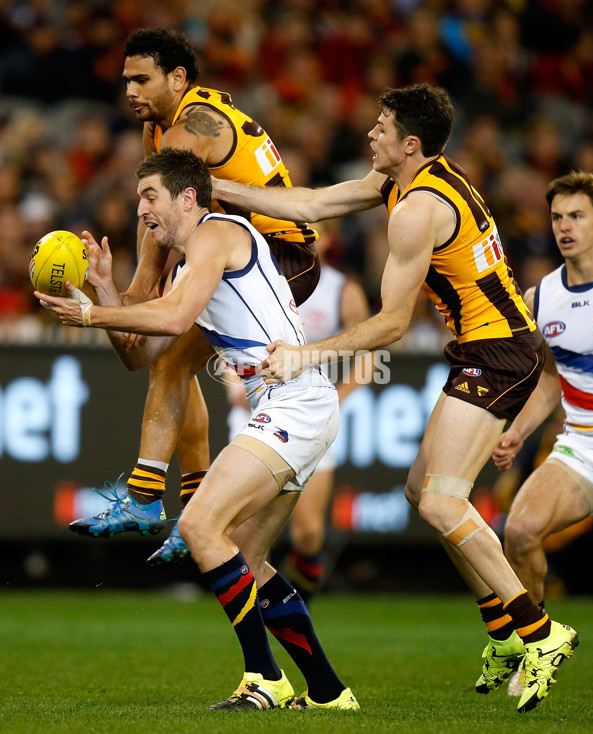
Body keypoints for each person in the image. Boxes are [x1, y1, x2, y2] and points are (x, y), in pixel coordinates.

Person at [210, 83, 579, 714]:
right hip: (485, 350)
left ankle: (539, 631)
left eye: (381, 127)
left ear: (409, 143)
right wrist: (218, 189)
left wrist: (308, 353)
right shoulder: (409, 181)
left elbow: (390, 325)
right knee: (420, 492)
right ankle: (501, 629)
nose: (370, 134)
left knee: (441, 502)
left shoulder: (417, 209)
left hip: (499, 353)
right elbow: (311, 203)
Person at [36, 148, 358, 712]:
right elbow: (143, 357)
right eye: (139, 198)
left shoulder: (219, 233)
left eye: (150, 196)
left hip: (295, 403)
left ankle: (264, 678)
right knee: (249, 565)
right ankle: (331, 693)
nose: (140, 211)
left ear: (188, 197)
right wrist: (103, 293)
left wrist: (89, 316)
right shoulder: (191, 268)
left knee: (202, 524)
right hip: (290, 405)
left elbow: (173, 319)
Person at [68, 28, 320, 566]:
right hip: (233, 248)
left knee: (170, 357)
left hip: (280, 254)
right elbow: (154, 210)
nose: (130, 90)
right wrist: (139, 291)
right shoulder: (160, 128)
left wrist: (137, 293)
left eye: (142, 78)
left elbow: (166, 213)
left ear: (177, 78)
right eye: (126, 79)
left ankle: (151, 501)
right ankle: (189, 505)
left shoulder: (188, 132)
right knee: (172, 364)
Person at [492, 170, 593, 696]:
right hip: (582, 447)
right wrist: (518, 430)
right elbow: (554, 380)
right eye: (557, 216)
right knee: (519, 531)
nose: (565, 226)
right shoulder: (543, 297)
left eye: (577, 215)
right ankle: (537, 647)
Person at [226, 220, 374, 603]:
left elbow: (369, 356)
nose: (308, 239)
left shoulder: (343, 289)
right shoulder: (255, 277)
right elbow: (221, 336)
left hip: (307, 411)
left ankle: (299, 604)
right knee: (247, 530)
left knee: (308, 532)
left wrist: (335, 397)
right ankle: (261, 610)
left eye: (317, 231)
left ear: (329, 239)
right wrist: (232, 383)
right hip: (256, 410)